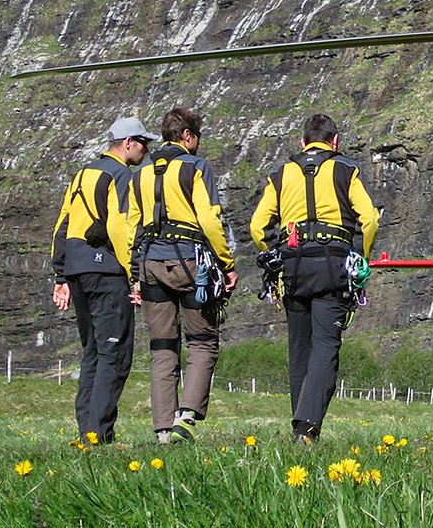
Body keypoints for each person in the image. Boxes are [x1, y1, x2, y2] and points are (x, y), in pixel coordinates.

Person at [249, 113, 378, 443]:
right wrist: (360, 257)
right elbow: (369, 220)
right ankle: (305, 428)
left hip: (292, 267)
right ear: (335, 141)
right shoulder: (346, 170)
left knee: (299, 349)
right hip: (332, 264)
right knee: (325, 346)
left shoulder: (280, 174)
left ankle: (301, 430)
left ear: (303, 142)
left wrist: (273, 253)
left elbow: (257, 227)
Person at [128, 108, 237, 444]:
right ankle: (186, 416)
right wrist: (227, 263)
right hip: (191, 264)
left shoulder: (140, 176)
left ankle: (162, 430)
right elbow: (208, 220)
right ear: (187, 136)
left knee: (162, 347)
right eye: (198, 137)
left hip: (149, 265)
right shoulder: (196, 167)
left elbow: (132, 227)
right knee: (203, 341)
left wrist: (134, 274)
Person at [49, 117, 154, 443]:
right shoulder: (120, 175)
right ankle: (99, 433)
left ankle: (87, 430)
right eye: (143, 143)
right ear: (128, 143)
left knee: (92, 351)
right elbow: (122, 228)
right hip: (107, 273)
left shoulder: (83, 174)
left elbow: (61, 226)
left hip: (77, 271)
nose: (147, 150)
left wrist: (60, 274)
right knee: (114, 352)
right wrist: (134, 274)